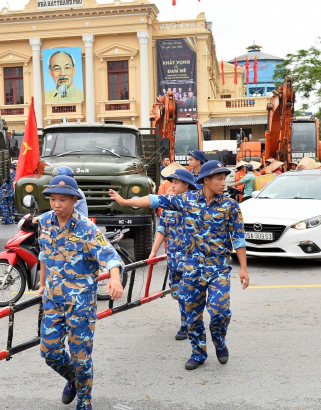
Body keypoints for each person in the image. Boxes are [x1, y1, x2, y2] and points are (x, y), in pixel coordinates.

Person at [109, 161, 249, 370]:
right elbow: (155, 200)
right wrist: (125, 201)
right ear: (206, 180)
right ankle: (198, 352)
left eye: (224, 178)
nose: (223, 183)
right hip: (191, 267)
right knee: (192, 314)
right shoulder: (186, 200)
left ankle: (219, 340)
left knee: (220, 311)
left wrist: (244, 269)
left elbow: (238, 238)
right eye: (219, 179)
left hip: (218, 268)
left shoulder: (230, 206)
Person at [37, 175, 123, 410]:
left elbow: (110, 256)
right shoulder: (45, 222)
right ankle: (73, 379)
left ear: (75, 200)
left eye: (62, 199)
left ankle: (84, 401)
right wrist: (42, 284)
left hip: (80, 305)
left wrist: (114, 278)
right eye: (53, 199)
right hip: (53, 300)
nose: (57, 204)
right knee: (49, 351)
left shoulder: (86, 228)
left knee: (80, 357)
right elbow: (44, 255)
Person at [149, 168, 197, 341]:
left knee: (186, 292)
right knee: (177, 293)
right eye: (172, 182)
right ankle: (190, 318)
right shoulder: (168, 205)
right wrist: (154, 252)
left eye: (176, 182)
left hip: (191, 259)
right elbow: (162, 229)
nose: (173, 186)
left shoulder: (194, 204)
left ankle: (187, 325)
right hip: (173, 258)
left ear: (186, 185)